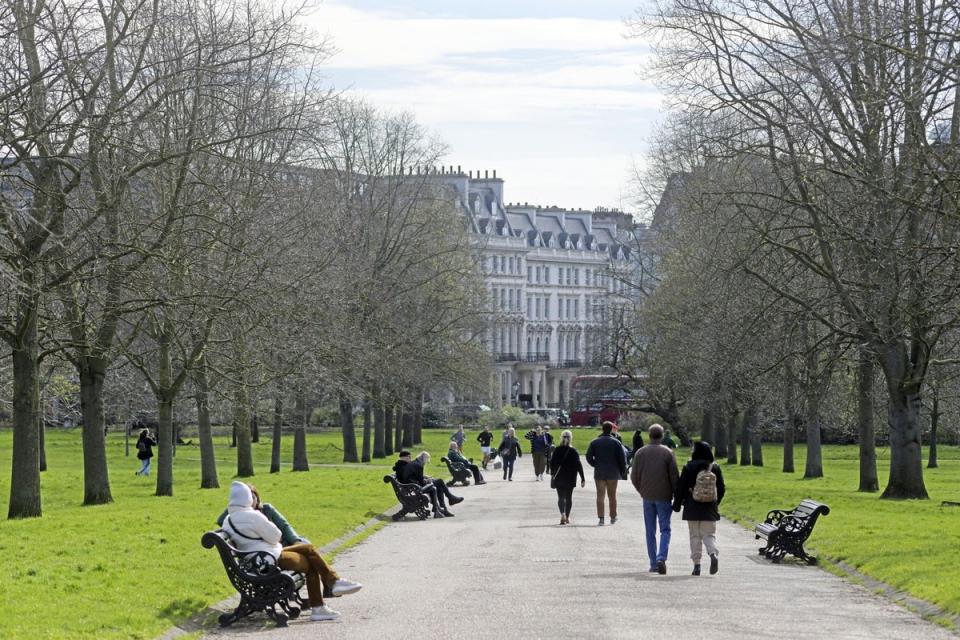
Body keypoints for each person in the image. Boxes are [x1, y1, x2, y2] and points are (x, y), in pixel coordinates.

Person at [219, 481, 362, 621]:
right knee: (310, 556)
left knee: (308, 549)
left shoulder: (228, 519)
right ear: (248, 499)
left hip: (257, 560)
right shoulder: (254, 516)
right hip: (270, 559)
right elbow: (276, 537)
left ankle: (332, 585)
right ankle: (327, 594)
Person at [630, 423, 680, 575]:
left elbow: (634, 476)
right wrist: (674, 493)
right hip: (664, 496)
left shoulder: (640, 453)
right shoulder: (667, 453)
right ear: (662, 435)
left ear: (649, 435)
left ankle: (653, 563)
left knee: (650, 530)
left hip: (648, 496)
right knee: (665, 529)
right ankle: (661, 557)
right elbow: (674, 476)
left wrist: (641, 490)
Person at [673, 441, 725, 576]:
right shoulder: (715, 468)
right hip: (710, 508)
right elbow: (721, 488)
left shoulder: (689, 467)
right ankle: (713, 554)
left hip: (692, 507)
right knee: (709, 535)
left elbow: (680, 488)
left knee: (694, 536)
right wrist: (715, 502)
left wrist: (677, 505)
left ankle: (697, 565)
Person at [584, 421, 627, 525]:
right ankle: (613, 516)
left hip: (599, 472)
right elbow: (622, 459)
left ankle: (601, 518)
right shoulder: (616, 442)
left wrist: (595, 464)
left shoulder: (595, 442)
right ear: (611, 429)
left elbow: (588, 456)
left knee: (600, 496)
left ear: (602, 429)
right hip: (613, 472)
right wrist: (622, 471)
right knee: (612, 496)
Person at [400, 451, 464, 517]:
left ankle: (446, 506)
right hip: (416, 488)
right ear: (424, 459)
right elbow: (421, 482)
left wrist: (425, 477)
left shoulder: (415, 463)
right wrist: (428, 480)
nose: (426, 463)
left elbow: (415, 476)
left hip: (412, 487)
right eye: (427, 460)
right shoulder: (418, 465)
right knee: (440, 481)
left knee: (439, 486)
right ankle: (450, 499)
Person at [549, 430, 585, 525]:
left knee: (561, 497)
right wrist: (582, 478)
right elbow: (578, 465)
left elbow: (552, 463)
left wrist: (552, 474)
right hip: (571, 477)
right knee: (569, 498)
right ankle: (567, 517)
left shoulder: (557, 450)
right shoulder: (573, 451)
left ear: (561, 437)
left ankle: (562, 514)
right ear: (571, 438)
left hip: (559, 476)